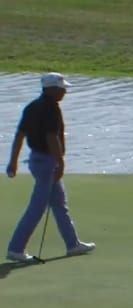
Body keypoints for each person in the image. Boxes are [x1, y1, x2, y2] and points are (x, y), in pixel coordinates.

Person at [5, 72, 95, 262]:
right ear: (51, 89)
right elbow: (51, 137)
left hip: (37, 160)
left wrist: (13, 161)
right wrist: (60, 162)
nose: (64, 92)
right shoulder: (51, 109)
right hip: (47, 162)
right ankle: (15, 249)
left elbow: (19, 135)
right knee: (37, 207)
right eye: (61, 89)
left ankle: (73, 244)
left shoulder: (32, 107)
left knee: (60, 204)